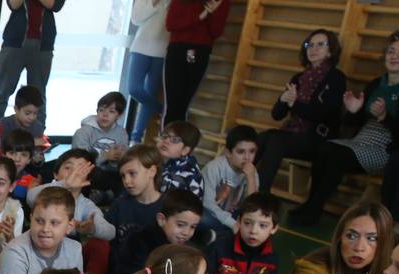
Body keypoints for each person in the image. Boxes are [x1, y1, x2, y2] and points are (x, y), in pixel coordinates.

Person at [291, 30, 399, 227]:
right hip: (361, 140)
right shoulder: (376, 83)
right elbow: (353, 122)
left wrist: (384, 117)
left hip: (385, 148)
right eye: (391, 51)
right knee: (325, 148)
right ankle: (311, 203)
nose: (394, 57)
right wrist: (354, 111)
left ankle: (314, 208)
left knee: (337, 154)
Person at [254, 29, 347, 195]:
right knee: (263, 138)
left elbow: (321, 115)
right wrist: (283, 100)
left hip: (318, 139)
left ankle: (260, 196)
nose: (313, 49)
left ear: (330, 50)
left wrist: (294, 103)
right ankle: (234, 185)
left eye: (320, 45)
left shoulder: (336, 78)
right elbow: (276, 115)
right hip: (293, 133)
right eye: (310, 45)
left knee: (276, 142)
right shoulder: (298, 78)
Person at [0, 186, 83, 274]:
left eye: (54, 223)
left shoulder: (75, 249)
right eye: (39, 221)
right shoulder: (14, 252)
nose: (45, 229)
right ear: (31, 218)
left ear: (69, 227)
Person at [0, 0, 66, 126]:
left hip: (43, 46)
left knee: (39, 93)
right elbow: (14, 5)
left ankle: (37, 135)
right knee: (2, 91)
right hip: (14, 43)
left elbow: (55, 5)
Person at [163, 0, 231, 124]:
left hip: (196, 51)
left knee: (182, 103)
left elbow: (216, 31)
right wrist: (200, 16)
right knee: (173, 102)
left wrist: (213, 13)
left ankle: (176, 139)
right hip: (178, 49)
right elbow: (170, 24)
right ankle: (168, 139)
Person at [205, 192, 281, 274]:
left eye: (262, 225)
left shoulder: (272, 259)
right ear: (239, 221)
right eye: (247, 223)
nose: (253, 231)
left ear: (274, 228)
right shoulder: (219, 248)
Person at [127, 0, 171, 142]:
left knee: (150, 94)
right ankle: (163, 110)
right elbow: (135, 19)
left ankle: (136, 138)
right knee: (134, 89)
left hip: (162, 51)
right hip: (140, 47)